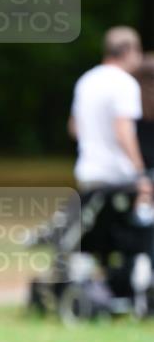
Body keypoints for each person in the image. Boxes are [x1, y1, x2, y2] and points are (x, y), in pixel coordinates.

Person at [68, 27, 153, 277]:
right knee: (134, 233)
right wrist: (140, 173)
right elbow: (123, 131)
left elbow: (74, 127)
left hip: (89, 173)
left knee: (94, 235)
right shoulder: (125, 83)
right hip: (119, 176)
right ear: (128, 51)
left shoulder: (87, 80)